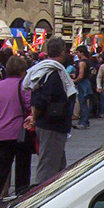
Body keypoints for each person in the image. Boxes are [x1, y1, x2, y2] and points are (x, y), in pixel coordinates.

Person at [26, 36, 75, 183]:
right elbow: (41, 100)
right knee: (48, 166)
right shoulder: (53, 73)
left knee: (58, 164)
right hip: (52, 124)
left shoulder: (45, 70)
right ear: (62, 52)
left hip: (52, 124)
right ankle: (39, 197)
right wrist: (34, 117)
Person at [0, 55, 33, 201]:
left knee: (0, 164)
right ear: (22, 71)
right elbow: (29, 105)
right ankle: (21, 193)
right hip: (17, 131)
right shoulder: (23, 86)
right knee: (22, 165)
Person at [72, 46, 94, 129]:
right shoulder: (87, 61)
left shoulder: (82, 63)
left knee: (83, 103)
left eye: (77, 52)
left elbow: (81, 76)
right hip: (86, 82)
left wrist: (74, 80)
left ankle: (83, 122)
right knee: (84, 103)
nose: (77, 54)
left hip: (82, 83)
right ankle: (84, 121)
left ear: (82, 52)